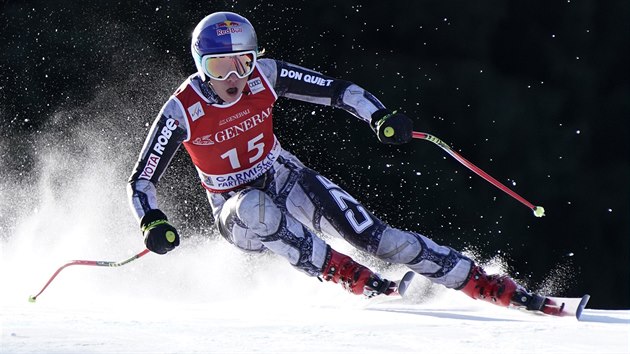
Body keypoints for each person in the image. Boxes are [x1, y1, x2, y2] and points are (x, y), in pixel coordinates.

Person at [127, 11, 538, 307]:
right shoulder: (183, 108)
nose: (234, 78)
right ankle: (345, 274)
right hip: (235, 212)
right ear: (201, 67)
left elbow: (337, 90)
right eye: (220, 66)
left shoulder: (266, 76)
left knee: (378, 238)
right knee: (255, 206)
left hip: (282, 175)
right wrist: (153, 221)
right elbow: (142, 181)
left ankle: (479, 280)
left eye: (243, 63)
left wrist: (379, 116)